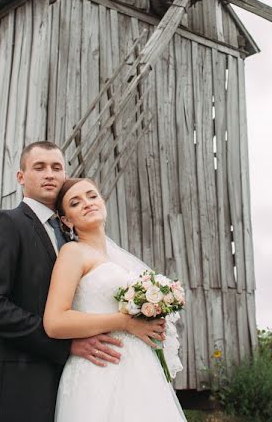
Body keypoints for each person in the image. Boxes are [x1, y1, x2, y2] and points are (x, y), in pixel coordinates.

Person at [0, 141, 124, 422]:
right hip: (19, 385)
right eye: (39, 167)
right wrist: (64, 345)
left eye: (57, 167)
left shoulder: (71, 239)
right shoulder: (5, 224)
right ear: (21, 177)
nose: (50, 174)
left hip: (72, 385)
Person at [44, 177, 187, 422]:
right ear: (67, 220)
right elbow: (55, 322)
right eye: (75, 203)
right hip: (100, 368)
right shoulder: (72, 253)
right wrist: (125, 322)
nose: (87, 203)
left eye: (92, 196)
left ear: (102, 201)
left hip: (138, 369)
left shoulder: (117, 257)